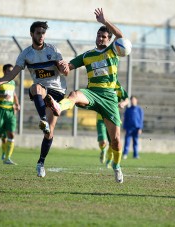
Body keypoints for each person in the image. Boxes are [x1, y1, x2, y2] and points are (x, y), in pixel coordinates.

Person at [44, 8, 128, 183]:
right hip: (92, 93)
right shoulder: (87, 55)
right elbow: (68, 67)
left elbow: (121, 37)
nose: (100, 38)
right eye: (99, 35)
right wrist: (63, 66)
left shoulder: (113, 50)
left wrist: (105, 22)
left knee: (116, 141)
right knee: (74, 94)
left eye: (104, 36)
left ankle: (117, 166)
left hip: (109, 97)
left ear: (109, 39)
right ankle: (59, 106)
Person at [0, 21, 69, 177]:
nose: (41, 36)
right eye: (38, 33)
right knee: (35, 87)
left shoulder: (53, 50)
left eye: (43, 33)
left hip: (57, 91)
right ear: (32, 34)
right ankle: (42, 119)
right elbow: (11, 74)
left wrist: (64, 68)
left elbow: (65, 72)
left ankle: (41, 162)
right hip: (41, 90)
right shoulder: (26, 54)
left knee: (49, 133)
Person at [98, 85, 129, 168]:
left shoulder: (119, 88)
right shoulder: (101, 85)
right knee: (103, 142)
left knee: (113, 142)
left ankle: (109, 160)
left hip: (113, 119)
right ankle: (103, 150)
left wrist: (123, 103)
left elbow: (127, 99)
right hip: (101, 118)